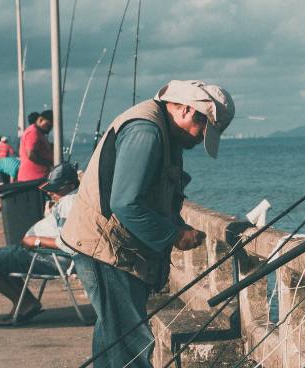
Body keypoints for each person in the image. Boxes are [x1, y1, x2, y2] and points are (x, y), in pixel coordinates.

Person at [61, 80, 235, 367]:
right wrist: (175, 234)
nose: (200, 139)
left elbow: (153, 194)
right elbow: (126, 203)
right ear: (188, 111)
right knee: (131, 345)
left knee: (113, 341)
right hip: (106, 252)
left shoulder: (167, 132)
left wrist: (174, 221)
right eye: (204, 129)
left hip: (113, 251)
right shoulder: (146, 131)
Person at [0, 163, 81, 326]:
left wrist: (35, 241)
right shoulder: (71, 198)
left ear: (70, 186)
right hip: (39, 253)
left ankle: (25, 303)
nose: (50, 192)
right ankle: (26, 303)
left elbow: (70, 243)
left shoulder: (70, 202)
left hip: (46, 257)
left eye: (55, 188)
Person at [18, 110, 54, 182]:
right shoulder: (33, 132)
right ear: (41, 120)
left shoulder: (38, 133)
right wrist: (47, 164)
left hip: (37, 177)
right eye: (48, 125)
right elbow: (30, 154)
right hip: (33, 179)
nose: (50, 129)